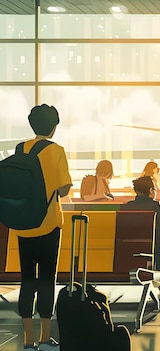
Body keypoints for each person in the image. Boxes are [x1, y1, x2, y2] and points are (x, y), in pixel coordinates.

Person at [12, 104, 72, 351]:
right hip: (48, 225)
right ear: (54, 127)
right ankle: (45, 338)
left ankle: (27, 340)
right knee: (47, 280)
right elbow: (64, 189)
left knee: (27, 280)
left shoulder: (20, 148)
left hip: (23, 225)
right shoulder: (56, 150)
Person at [120, 176, 160, 273]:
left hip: (129, 253)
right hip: (152, 253)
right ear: (151, 190)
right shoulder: (155, 206)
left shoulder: (127, 206)